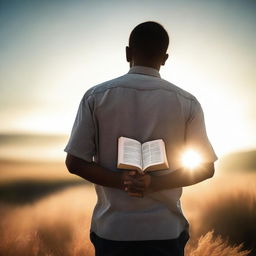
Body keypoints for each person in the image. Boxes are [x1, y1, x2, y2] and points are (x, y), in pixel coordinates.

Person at [64, 21, 218, 256]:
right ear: (165, 58)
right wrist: (153, 184)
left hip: (113, 231)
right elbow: (206, 168)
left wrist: (123, 181)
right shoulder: (187, 102)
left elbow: (74, 163)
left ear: (128, 53)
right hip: (165, 230)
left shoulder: (95, 96)